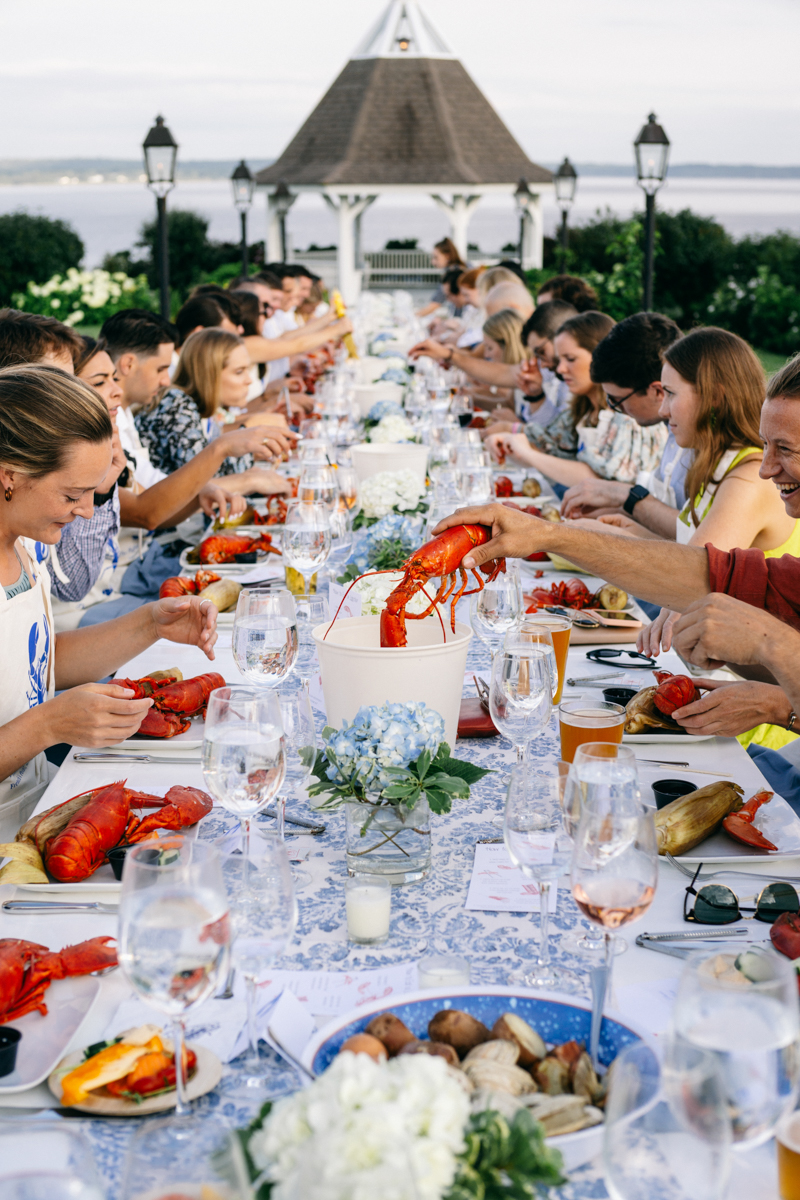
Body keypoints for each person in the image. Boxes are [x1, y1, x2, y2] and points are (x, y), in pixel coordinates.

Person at [0, 365, 218, 835]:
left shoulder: (20, 544)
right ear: (9, 477)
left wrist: (151, 624)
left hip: (39, 805)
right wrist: (46, 726)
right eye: (73, 493)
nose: (85, 511)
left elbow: (34, 660)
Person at [584, 329, 800, 663]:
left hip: (745, 687)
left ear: (714, 396)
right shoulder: (711, 464)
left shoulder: (747, 479)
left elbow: (696, 579)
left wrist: (571, 538)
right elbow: (696, 555)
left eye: (670, 393)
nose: (662, 410)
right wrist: (631, 533)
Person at [488, 312, 667, 490]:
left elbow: (602, 481)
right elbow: (547, 444)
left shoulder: (630, 410)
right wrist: (506, 440)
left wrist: (526, 451)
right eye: (559, 359)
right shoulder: (583, 409)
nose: (560, 368)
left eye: (570, 359)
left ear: (600, 357)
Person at [561, 312, 687, 521]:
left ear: (658, 392)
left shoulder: (698, 441)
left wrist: (625, 496)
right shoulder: (672, 431)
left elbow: (697, 540)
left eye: (617, 401)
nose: (615, 410)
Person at [134, 328, 293, 485]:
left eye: (248, 370)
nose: (249, 380)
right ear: (210, 375)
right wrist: (248, 441)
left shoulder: (202, 408)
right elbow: (202, 479)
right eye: (239, 372)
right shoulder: (176, 404)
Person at [416, 237, 465, 317]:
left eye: (436, 257)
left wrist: (412, 316)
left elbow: (435, 303)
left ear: (447, 256)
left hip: (461, 322)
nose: (433, 262)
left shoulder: (451, 275)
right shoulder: (465, 268)